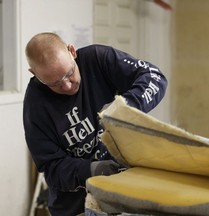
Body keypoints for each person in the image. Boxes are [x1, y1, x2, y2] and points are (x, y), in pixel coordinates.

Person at [23, 32, 167, 216]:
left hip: (123, 194)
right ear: (35, 74)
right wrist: (91, 170)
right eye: (55, 83)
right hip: (75, 207)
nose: (67, 86)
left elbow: (154, 76)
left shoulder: (97, 59)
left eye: (69, 73)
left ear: (72, 51)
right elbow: (52, 169)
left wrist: (125, 107)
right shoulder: (35, 106)